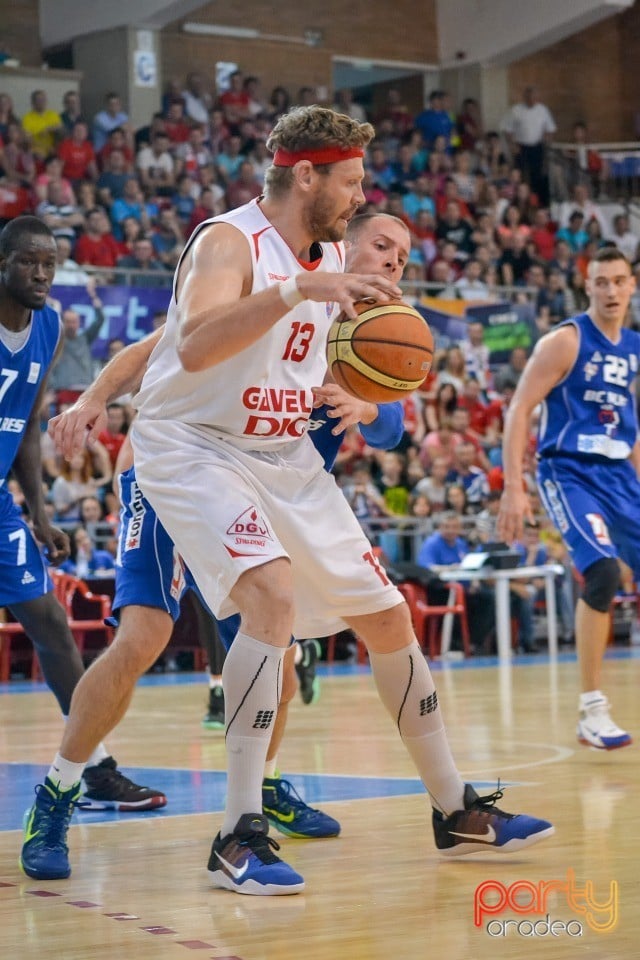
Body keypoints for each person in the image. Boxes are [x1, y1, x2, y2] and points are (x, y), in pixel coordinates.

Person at [23, 109, 553, 894]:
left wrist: (365, 387)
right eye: (352, 181)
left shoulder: (334, 256)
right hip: (190, 446)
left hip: (279, 456)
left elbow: (371, 377)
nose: (360, 195)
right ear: (307, 174)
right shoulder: (227, 242)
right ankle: (227, 831)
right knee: (219, 613)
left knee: (387, 616)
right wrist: (294, 289)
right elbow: (191, 342)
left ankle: (454, 808)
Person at [0, 218, 165, 882]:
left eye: (52, 264)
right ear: (3, 262)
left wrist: (38, 514)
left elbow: (29, 422)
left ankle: (92, 769)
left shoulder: (48, 327)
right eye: (30, 263)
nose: (43, 274)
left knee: (49, 623)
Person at [498, 246, 639, 749]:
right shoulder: (565, 341)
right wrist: (514, 487)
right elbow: (518, 410)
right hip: (568, 471)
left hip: (620, 473)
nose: (610, 291)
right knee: (601, 572)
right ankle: (591, 708)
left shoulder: (634, 348)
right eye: (601, 282)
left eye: (619, 281)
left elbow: (629, 427)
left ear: (632, 286)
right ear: (588, 286)